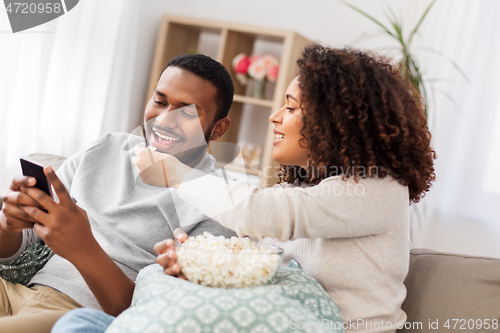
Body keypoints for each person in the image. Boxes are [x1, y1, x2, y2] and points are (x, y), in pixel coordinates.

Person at [53, 45, 436, 333]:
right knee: (80, 324)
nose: (275, 116)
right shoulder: (317, 191)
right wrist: (196, 264)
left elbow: (260, 213)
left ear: (336, 120)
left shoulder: (378, 190)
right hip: (278, 321)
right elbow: (262, 264)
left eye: (291, 107)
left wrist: (172, 172)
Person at [0, 54, 236, 333]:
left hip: (78, 317)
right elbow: (19, 247)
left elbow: (156, 319)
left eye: (186, 112)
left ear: (218, 128)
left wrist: (83, 248)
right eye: (160, 102)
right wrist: (9, 225)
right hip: (17, 290)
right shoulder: (106, 148)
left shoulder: (220, 205)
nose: (163, 119)